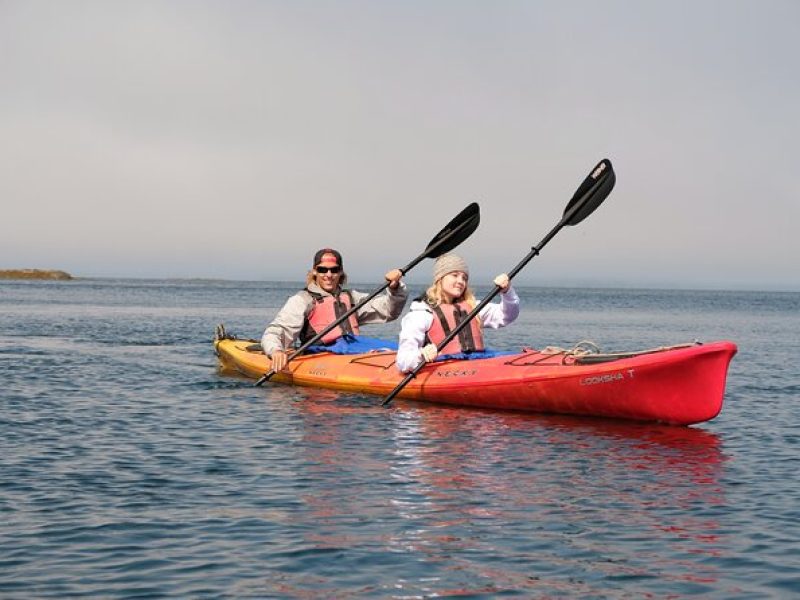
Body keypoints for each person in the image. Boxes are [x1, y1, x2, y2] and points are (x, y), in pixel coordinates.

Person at [262, 248, 408, 371]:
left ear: (341, 273)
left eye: (334, 270)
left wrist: (395, 288)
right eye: (322, 270)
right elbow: (276, 331)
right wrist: (276, 350)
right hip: (320, 354)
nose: (328, 275)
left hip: (353, 348)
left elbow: (389, 310)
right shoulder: (302, 300)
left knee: (400, 349)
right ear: (314, 272)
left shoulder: (351, 298)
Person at [396, 253, 519, 373]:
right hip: (442, 371)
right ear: (440, 278)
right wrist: (421, 354)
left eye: (464, 278)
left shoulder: (473, 307)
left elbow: (507, 315)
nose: (461, 281)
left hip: (476, 364)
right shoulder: (422, 313)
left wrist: (507, 291)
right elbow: (403, 362)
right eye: (454, 275)